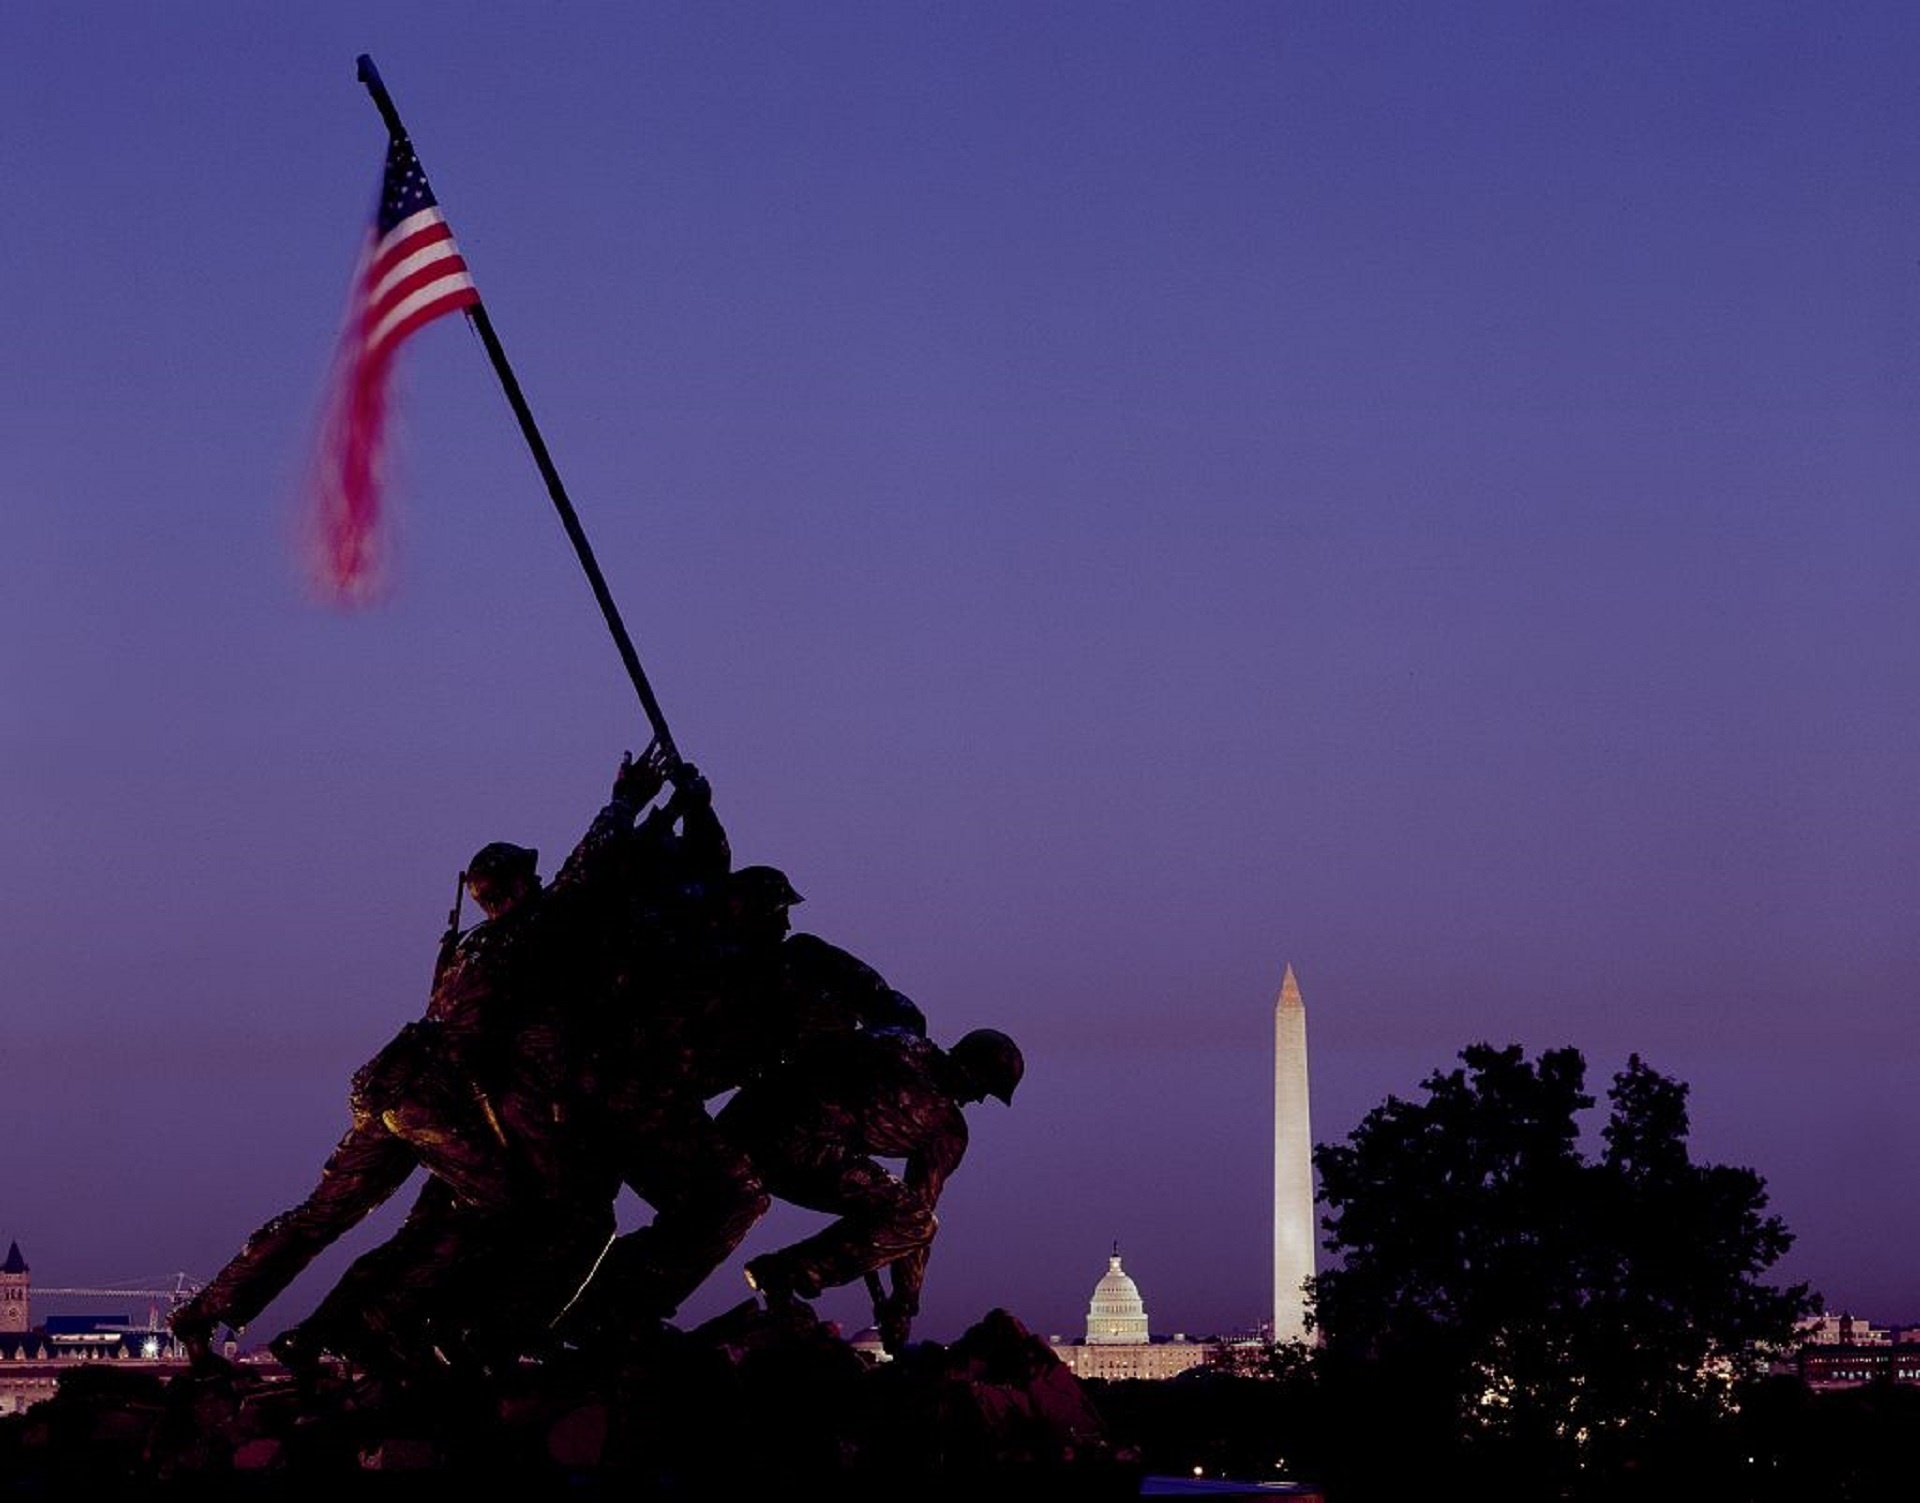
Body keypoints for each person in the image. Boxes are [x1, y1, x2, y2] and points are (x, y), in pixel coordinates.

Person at [169, 749, 669, 1379]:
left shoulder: (468, 950)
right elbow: (583, 876)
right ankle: (381, 1323)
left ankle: (204, 1314)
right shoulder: (523, 936)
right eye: (530, 881)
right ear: (514, 889)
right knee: (505, 1205)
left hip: (391, 1084)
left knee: (323, 1214)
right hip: (436, 1096)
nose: (541, 887)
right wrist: (626, 800)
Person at [714, 1025, 1024, 1357]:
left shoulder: (895, 1036)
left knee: (887, 1203)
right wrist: (904, 1303)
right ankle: (782, 1273)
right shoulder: (945, 1128)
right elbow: (917, 1215)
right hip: (795, 1145)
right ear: (972, 1070)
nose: (977, 1099)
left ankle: (782, 1276)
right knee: (915, 1221)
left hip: (745, 1120)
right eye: (984, 1089)